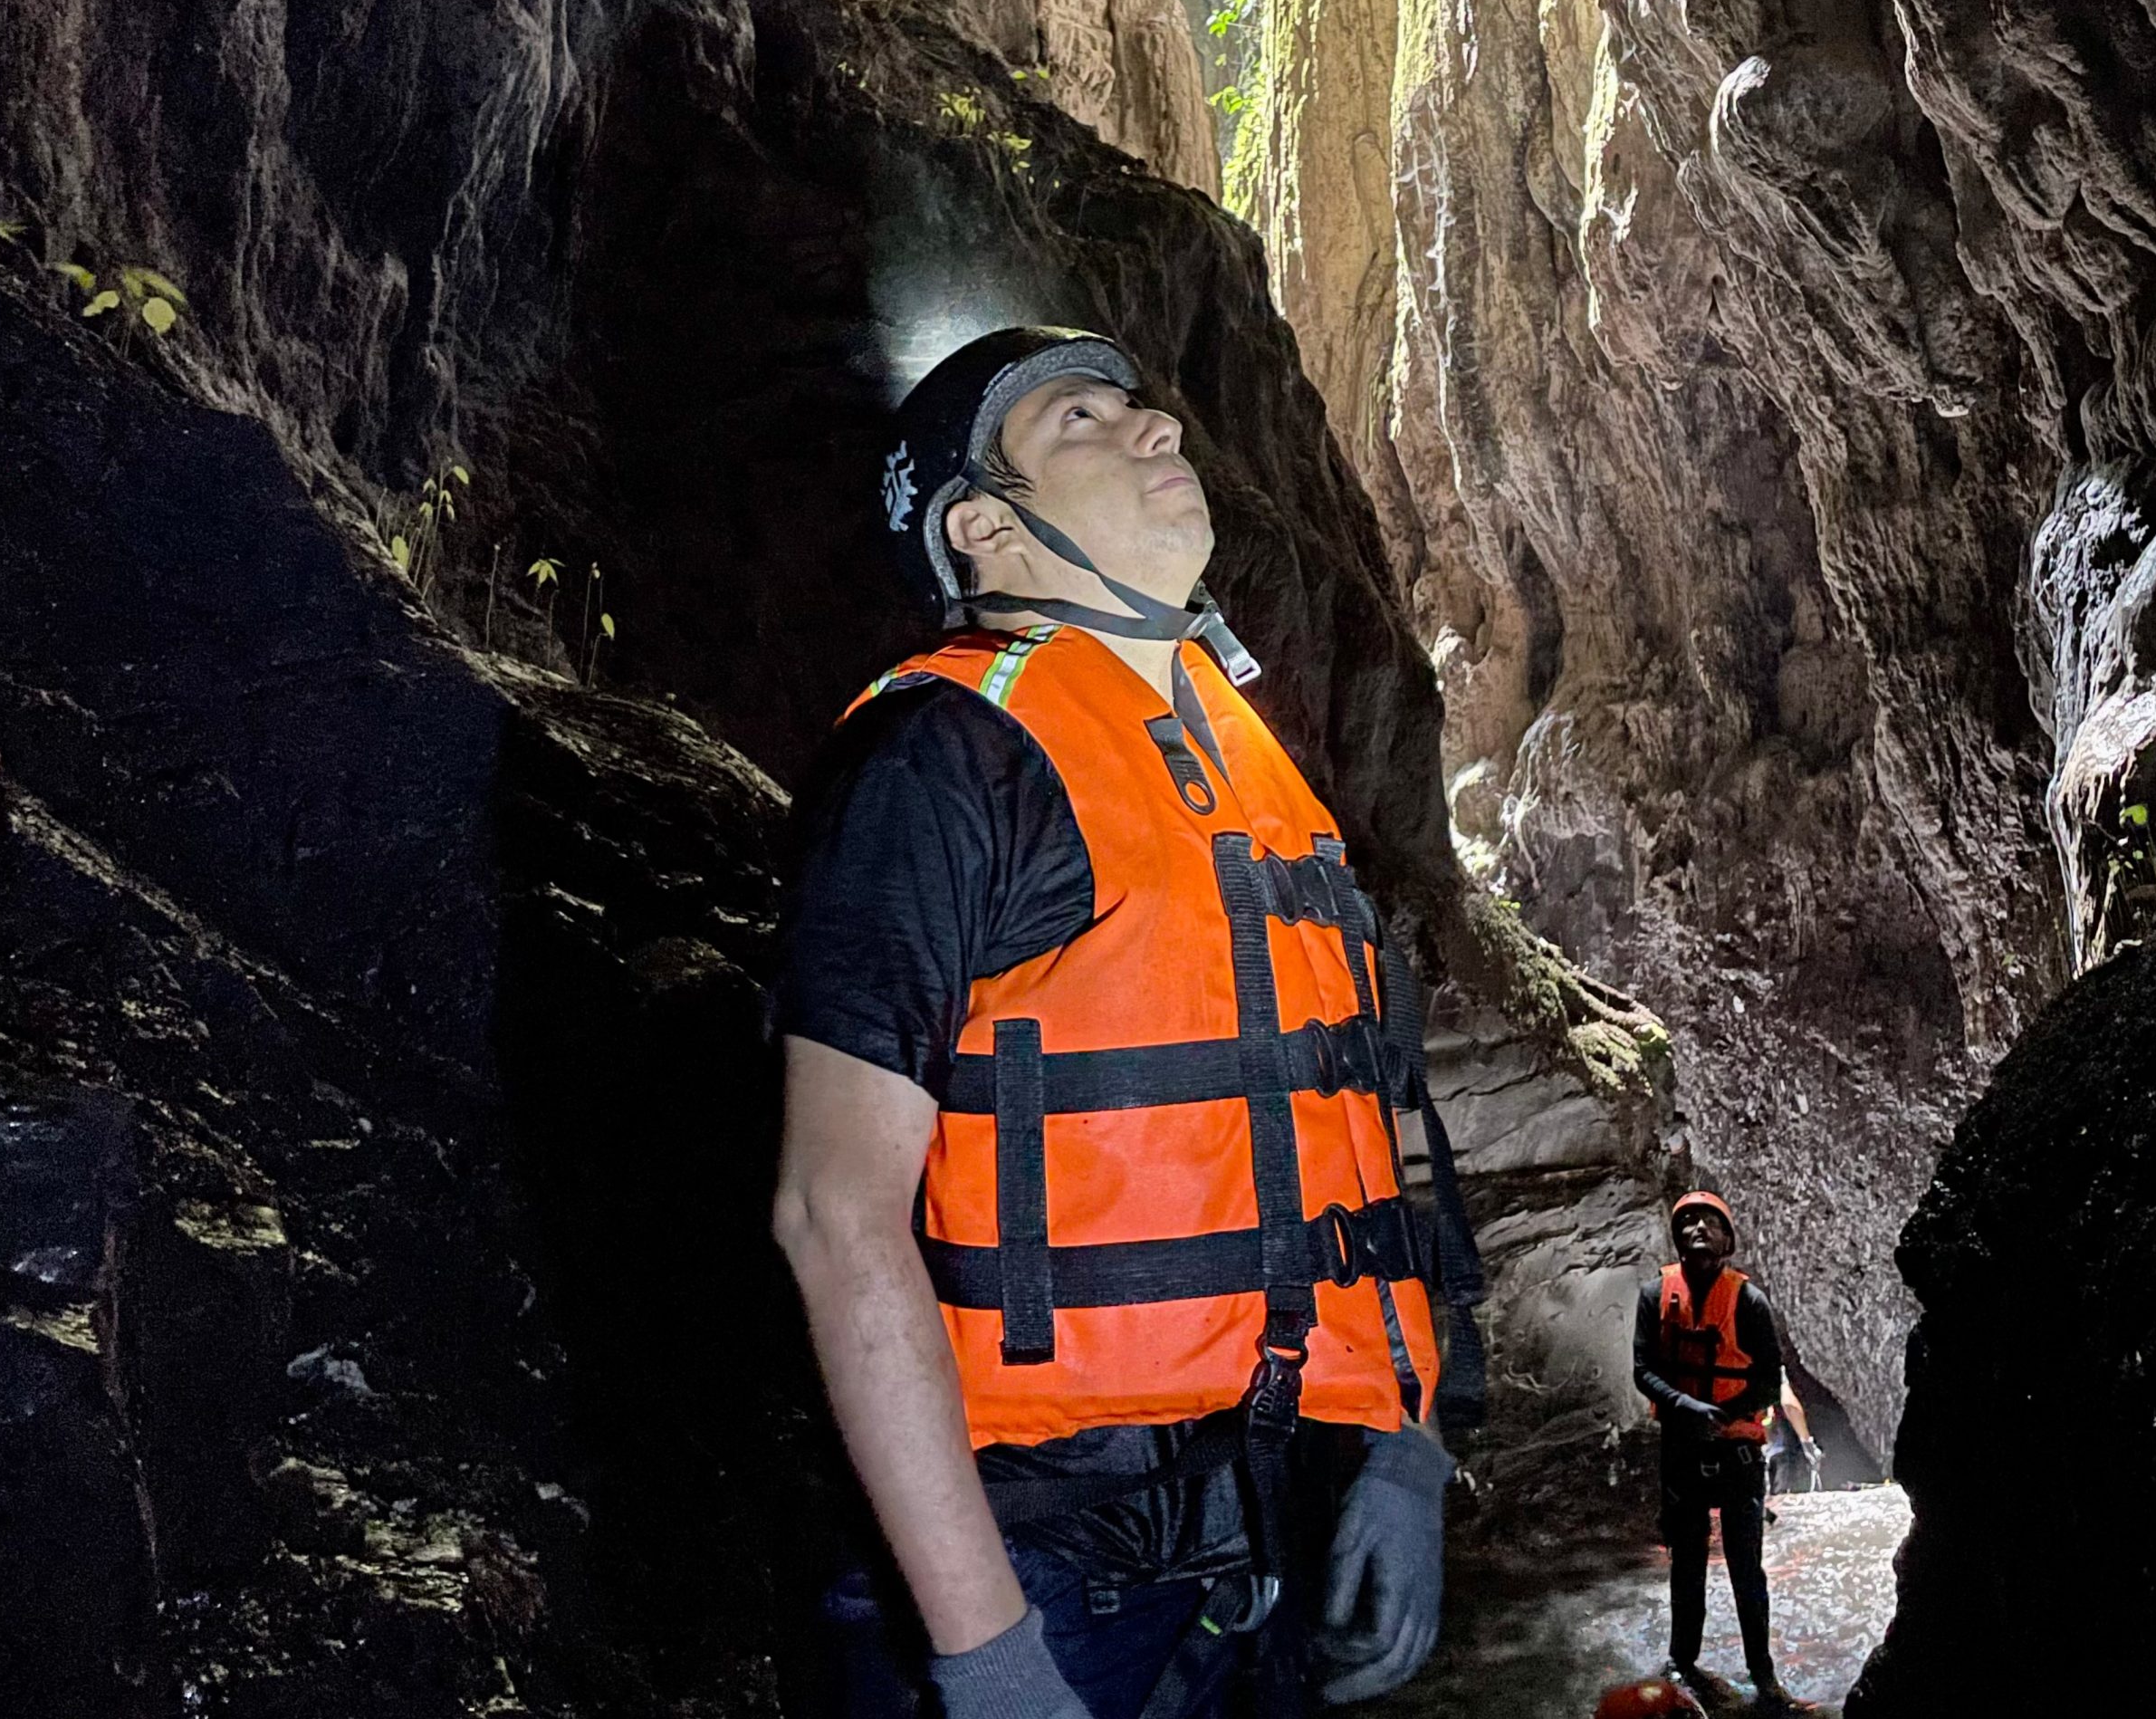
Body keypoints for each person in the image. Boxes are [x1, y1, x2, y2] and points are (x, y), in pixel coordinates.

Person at [772, 327, 1487, 1719]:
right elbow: (831, 1214)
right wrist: (989, 1659)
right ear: (983, 527)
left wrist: (1405, 1454)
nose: (1156, 427)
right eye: (1082, 422)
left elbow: (1373, 1130)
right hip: (1032, 1569)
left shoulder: (1251, 766)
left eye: (1144, 406)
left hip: (1267, 1543)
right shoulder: (940, 763)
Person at [1632, 1192, 1809, 1713]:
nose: (1698, 1228)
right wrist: (1689, 1409)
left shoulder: (1749, 1302)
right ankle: (1682, 1663)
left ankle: (1763, 1674)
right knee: (1685, 1563)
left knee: (1744, 1567)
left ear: (1728, 1241)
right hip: (1683, 1449)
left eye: (1710, 1222)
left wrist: (1726, 1418)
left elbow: (1767, 1379)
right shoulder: (1653, 1294)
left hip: (1736, 1453)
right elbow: (1643, 1370)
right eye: (1687, 1221)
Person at [1763, 1368, 1822, 1510]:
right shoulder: (1778, 1371)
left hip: (1768, 1454)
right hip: (1788, 1454)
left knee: (1772, 1508)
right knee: (1791, 1506)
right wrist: (1807, 1442)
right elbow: (1789, 1406)